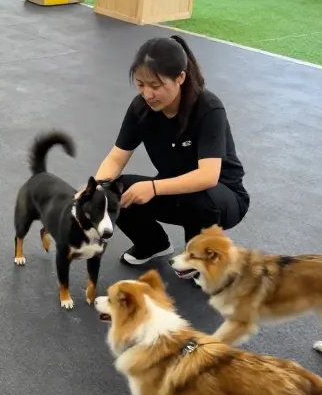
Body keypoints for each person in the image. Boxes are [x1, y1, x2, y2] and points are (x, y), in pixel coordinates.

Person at [87, 35, 249, 267]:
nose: (147, 94)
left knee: (201, 201)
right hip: (175, 190)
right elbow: (116, 157)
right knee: (117, 190)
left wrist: (153, 187)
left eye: (156, 86)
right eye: (141, 85)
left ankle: (199, 258)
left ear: (180, 77)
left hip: (222, 197)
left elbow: (208, 176)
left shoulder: (208, 108)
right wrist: (97, 188)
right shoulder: (141, 108)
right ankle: (153, 244)